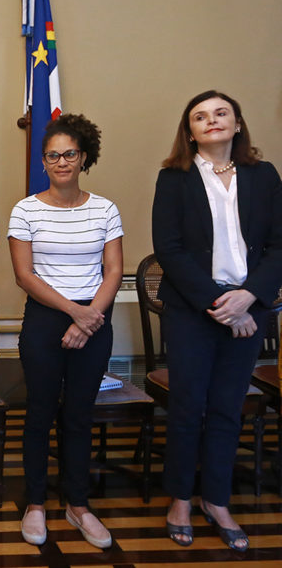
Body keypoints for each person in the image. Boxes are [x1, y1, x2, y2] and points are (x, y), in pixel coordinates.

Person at [153, 90, 282, 552]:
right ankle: (180, 500)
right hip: (193, 312)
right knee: (188, 408)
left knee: (228, 407)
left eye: (221, 113)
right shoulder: (174, 178)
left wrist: (247, 299)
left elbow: (277, 246)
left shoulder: (263, 175)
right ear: (190, 131)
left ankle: (217, 500)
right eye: (201, 117)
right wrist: (221, 305)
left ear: (238, 122)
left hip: (248, 311)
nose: (212, 121)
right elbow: (170, 249)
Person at [8, 113, 123, 550]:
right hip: (45, 320)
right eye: (52, 155)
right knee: (39, 413)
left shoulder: (105, 208)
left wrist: (90, 316)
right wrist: (74, 312)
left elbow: (112, 270)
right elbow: (25, 275)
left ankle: (78, 504)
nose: (61, 162)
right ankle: (35, 502)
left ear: (84, 157)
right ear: (44, 161)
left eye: (69, 154)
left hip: (94, 320)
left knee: (78, 415)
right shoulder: (26, 209)